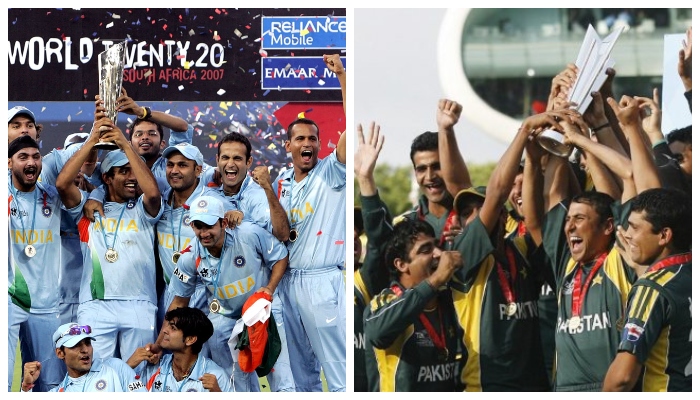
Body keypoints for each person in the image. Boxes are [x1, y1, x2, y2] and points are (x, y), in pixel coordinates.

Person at [56, 103, 164, 363]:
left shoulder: (142, 208)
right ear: (106, 177)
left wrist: (126, 145)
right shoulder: (86, 208)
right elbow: (62, 183)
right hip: (95, 304)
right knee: (95, 377)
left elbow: (152, 193)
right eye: (123, 171)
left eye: (134, 170)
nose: (132, 178)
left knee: (137, 379)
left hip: (139, 302)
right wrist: (94, 138)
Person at [156, 195, 290, 392]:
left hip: (262, 311)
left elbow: (280, 257)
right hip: (225, 316)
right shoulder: (189, 257)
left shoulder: (248, 233)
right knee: (235, 382)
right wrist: (160, 343)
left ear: (223, 223)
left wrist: (269, 288)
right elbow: (179, 302)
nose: (204, 233)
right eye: (198, 226)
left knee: (280, 377)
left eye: (209, 226)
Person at [272, 54, 347, 392]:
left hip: (322, 281)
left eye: (313, 138)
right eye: (300, 139)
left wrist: (342, 75)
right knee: (301, 375)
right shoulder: (281, 181)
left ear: (320, 144)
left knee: (339, 368)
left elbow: (352, 125)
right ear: (287, 146)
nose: (307, 144)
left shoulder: (332, 171)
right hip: (288, 283)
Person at [8, 136, 87, 391]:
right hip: (9, 299)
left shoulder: (52, 197)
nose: (31, 163)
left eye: (35, 157)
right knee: (5, 374)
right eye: (23, 157)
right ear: (9, 163)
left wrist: (96, 134)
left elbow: (79, 156)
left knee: (51, 379)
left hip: (45, 303)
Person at [603, 188, 691, 391]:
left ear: (664, 235)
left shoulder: (652, 287)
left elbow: (622, 378)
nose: (627, 234)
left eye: (635, 228)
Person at [364, 219, 464, 391]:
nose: (438, 254)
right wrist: (436, 279)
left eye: (437, 246)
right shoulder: (387, 300)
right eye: (426, 250)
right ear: (401, 264)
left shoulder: (448, 298)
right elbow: (375, 333)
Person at [353, 122, 393, 391]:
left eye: (358, 229)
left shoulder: (363, 281)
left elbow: (381, 242)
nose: (354, 236)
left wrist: (365, 180)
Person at [128, 307, 233, 392]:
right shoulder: (155, 367)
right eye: (167, 325)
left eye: (173, 328)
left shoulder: (216, 376)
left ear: (190, 339)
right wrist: (128, 365)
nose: (164, 330)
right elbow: (129, 390)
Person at [20, 322, 145, 392]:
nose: (85, 350)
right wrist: (26, 387)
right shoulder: (59, 392)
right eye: (75, 345)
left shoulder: (116, 367)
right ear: (60, 353)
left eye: (88, 343)